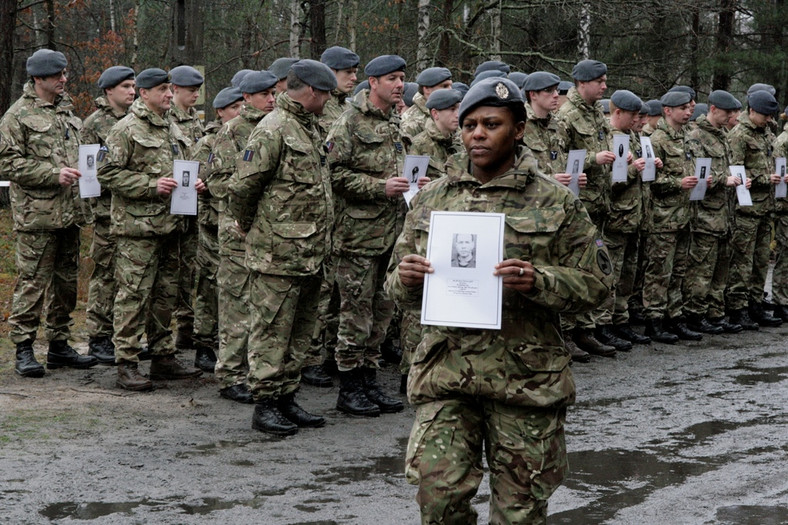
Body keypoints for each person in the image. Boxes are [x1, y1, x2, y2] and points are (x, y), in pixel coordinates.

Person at [384, 77, 611, 524]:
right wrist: (408, 279)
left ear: (519, 129)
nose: (477, 134)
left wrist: (539, 280)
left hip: (524, 379)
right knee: (439, 498)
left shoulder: (556, 202)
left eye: (491, 123)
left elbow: (599, 286)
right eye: (469, 125)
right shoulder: (432, 200)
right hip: (447, 374)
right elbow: (396, 289)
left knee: (519, 511)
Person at [228, 60, 337, 436]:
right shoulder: (273, 128)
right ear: (309, 90)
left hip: (310, 253)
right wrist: (250, 227)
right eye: (325, 93)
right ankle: (265, 404)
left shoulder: (308, 128)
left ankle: (287, 397)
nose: (328, 100)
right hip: (277, 254)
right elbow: (242, 188)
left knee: (300, 331)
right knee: (271, 331)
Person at [97, 68, 204, 391]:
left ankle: (162, 356)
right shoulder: (126, 129)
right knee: (133, 295)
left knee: (165, 295)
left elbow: (184, 163)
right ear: (144, 93)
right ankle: (127, 362)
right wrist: (149, 185)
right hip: (137, 229)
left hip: (172, 225)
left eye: (170, 90)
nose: (169, 95)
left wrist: (195, 181)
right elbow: (106, 172)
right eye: (162, 90)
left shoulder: (171, 127)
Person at [0, 49, 98, 377]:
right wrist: (52, 173)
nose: (64, 80)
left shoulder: (68, 113)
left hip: (69, 213)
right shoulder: (18, 116)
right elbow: (7, 163)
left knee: (67, 282)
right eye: (57, 75)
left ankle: (59, 345)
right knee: (33, 282)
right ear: (38, 78)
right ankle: (24, 348)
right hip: (37, 216)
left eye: (65, 74)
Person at [326, 54, 410, 417]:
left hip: (391, 235)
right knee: (355, 313)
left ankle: (369, 378)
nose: (399, 84)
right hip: (357, 236)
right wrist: (380, 187)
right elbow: (333, 174)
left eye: (402, 78)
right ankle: (349, 386)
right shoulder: (348, 122)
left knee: (382, 310)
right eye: (391, 78)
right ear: (372, 83)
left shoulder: (394, 122)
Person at [210, 71, 279, 404]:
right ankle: (230, 374)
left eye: (273, 93)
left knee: (261, 306)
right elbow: (218, 182)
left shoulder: (277, 127)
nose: (271, 99)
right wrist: (255, 193)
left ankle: (254, 371)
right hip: (237, 229)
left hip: (267, 231)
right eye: (264, 94)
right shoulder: (233, 131)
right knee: (236, 303)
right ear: (247, 98)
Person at [303, 45, 362, 388]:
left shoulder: (348, 109)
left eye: (355, 72)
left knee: (339, 290)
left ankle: (326, 352)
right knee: (321, 289)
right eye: (346, 73)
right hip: (323, 213)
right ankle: (311, 355)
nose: (353, 78)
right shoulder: (317, 112)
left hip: (344, 215)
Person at [556, 59, 621, 356]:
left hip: (600, 203)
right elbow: (560, 161)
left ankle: (587, 329)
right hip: (578, 204)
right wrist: (593, 160)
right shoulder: (566, 115)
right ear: (582, 83)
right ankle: (567, 332)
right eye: (600, 81)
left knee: (595, 268)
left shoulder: (596, 113)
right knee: (575, 268)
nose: (605, 86)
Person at [81, 65, 136, 365]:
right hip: (106, 212)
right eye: (126, 86)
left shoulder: (138, 119)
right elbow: (90, 174)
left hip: (134, 210)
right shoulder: (95, 124)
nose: (132, 91)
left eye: (133, 86)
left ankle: (123, 335)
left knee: (129, 278)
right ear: (109, 90)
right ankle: (99, 337)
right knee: (104, 275)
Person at [189, 87, 244, 373]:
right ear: (220, 111)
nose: (239, 112)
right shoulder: (209, 142)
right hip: (212, 222)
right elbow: (196, 179)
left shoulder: (247, 135)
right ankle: (203, 343)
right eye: (234, 107)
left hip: (235, 223)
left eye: (241, 106)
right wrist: (205, 186)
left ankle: (230, 343)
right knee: (209, 286)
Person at [642, 90, 703, 343]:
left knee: (679, 270)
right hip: (664, 217)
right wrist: (679, 183)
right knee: (659, 271)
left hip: (685, 214)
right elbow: (651, 180)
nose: (688, 112)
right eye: (683, 109)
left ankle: (674, 316)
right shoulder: (656, 140)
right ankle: (653, 320)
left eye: (689, 108)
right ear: (667, 111)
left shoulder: (689, 137)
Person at [684, 90, 744, 334]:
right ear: (713, 109)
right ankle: (695, 314)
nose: (730, 117)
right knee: (702, 269)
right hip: (706, 215)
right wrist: (724, 180)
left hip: (724, 214)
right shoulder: (696, 136)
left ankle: (715, 312)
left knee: (721, 267)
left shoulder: (723, 136)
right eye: (727, 112)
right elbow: (698, 174)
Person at [602, 90, 657, 346]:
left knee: (628, 275)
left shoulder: (633, 137)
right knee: (610, 274)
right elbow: (609, 185)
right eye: (634, 116)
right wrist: (634, 170)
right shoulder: (609, 139)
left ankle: (621, 320)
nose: (639, 120)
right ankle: (604, 323)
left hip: (635, 218)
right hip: (616, 219)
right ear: (618, 113)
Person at [726, 90, 783, 328]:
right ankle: (738, 309)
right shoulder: (739, 135)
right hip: (746, 210)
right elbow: (734, 170)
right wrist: (763, 178)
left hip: (765, 207)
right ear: (752, 111)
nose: (769, 120)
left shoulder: (767, 133)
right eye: (766, 115)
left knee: (760, 260)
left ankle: (755, 303)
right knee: (742, 261)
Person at [168, 65, 205, 353]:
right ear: (175, 89)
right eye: (190, 90)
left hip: (195, 203)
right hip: (169, 203)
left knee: (191, 268)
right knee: (172, 268)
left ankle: (187, 327)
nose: (195, 94)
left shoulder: (198, 122)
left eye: (197, 90)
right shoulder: (167, 119)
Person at [409, 88, 463, 178]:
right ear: (435, 114)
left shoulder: (461, 140)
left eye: (459, 109)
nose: (458, 114)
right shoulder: (419, 145)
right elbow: (412, 184)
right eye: (452, 109)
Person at [400, 67, 453, 142]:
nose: (450, 90)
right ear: (427, 89)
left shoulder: (451, 113)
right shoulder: (410, 121)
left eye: (451, 85)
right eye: (444, 86)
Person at [770, 105, 788, 322]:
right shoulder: (783, 142)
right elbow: (780, 174)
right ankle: (780, 301)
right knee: (785, 256)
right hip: (784, 205)